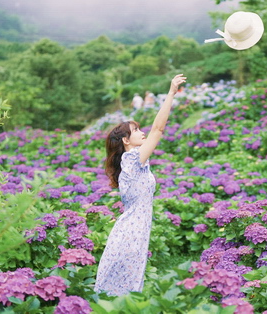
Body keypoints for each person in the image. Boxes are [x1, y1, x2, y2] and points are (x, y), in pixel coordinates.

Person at [95, 74, 187, 296]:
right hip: (131, 233)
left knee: (127, 286)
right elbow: (158, 129)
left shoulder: (135, 161)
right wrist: (171, 93)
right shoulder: (133, 159)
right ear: (126, 141)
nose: (142, 131)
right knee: (125, 289)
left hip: (134, 230)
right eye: (136, 130)